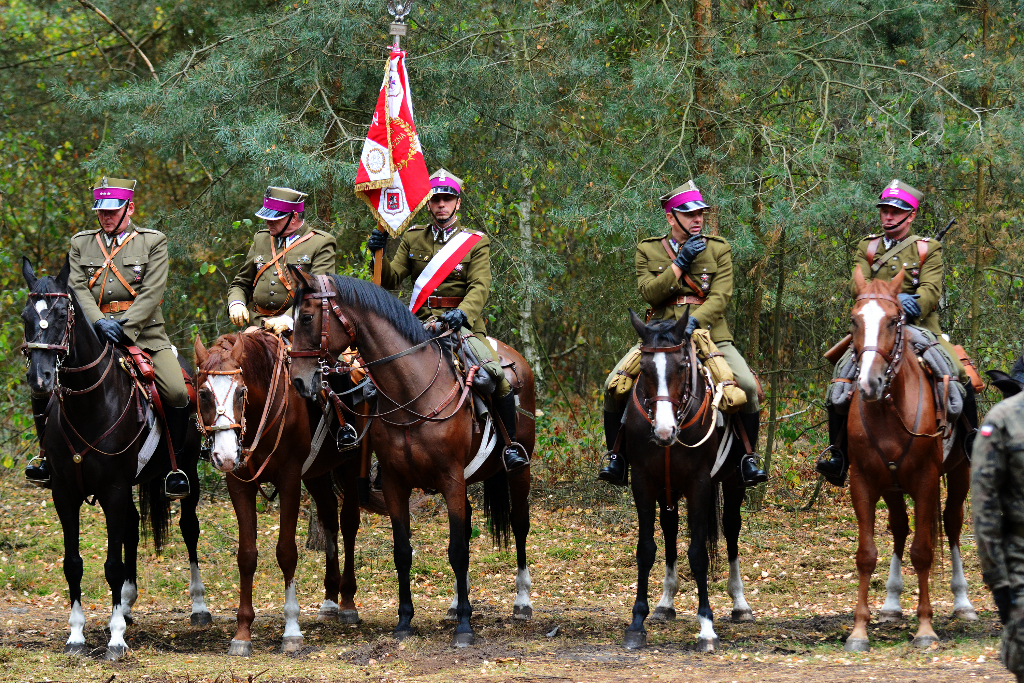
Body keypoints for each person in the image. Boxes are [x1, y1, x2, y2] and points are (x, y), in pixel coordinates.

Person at [25, 177, 190, 497]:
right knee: (42, 381)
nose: (105, 216)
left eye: (112, 210)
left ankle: (175, 467)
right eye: (100, 211)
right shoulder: (80, 243)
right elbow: (78, 290)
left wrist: (124, 327)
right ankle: (46, 459)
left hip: (145, 335)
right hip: (92, 335)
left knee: (177, 392)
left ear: (129, 208)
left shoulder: (153, 241)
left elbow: (152, 291)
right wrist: (99, 322)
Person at [598, 180, 768, 487]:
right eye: (689, 214)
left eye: (700, 213)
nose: (698, 219)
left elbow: (720, 296)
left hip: (709, 335)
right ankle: (616, 457)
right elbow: (649, 294)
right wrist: (680, 263)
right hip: (660, 336)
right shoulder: (648, 250)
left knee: (747, 386)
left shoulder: (719, 248)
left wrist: (693, 322)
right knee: (614, 385)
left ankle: (747, 458)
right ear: (670, 217)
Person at [816, 179, 978, 486]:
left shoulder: (927, 249)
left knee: (958, 373)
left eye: (896, 211)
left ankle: (970, 441)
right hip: (877, 328)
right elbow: (856, 284)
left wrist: (911, 303)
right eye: (885, 211)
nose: (888, 216)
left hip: (918, 328)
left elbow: (931, 290)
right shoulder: (868, 246)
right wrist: (885, 298)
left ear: (911, 215)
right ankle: (838, 453)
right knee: (840, 378)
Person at [366, 168, 528, 473]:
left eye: (447, 199)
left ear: (457, 203)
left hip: (461, 326)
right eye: (437, 199)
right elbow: (389, 279)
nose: (442, 204)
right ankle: (382, 456)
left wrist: (463, 313)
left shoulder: (475, 243)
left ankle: (509, 446)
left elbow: (480, 286)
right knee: (372, 379)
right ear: (428, 204)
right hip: (416, 327)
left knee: (495, 377)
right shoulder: (414, 239)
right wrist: (377, 252)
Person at [226, 186, 337, 333]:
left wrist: (289, 319)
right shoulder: (261, 239)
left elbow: (319, 291)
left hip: (301, 328)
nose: (267, 222)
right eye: (267, 218)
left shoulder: (321, 242)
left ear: (294, 217)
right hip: (258, 326)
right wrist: (236, 303)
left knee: (334, 356)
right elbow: (241, 283)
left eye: (274, 219)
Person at [972, 390, 1024, 682]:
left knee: (957, 388)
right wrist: (998, 581)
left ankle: (965, 432)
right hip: (1021, 557)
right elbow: (985, 506)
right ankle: (838, 451)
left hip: (929, 348)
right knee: (841, 393)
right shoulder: (1005, 419)